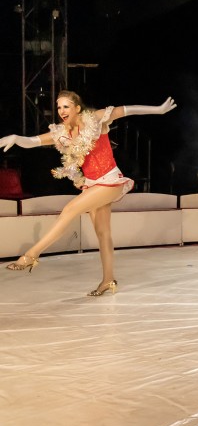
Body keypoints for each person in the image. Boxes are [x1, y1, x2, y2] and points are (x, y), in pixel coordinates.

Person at [0, 90, 176, 296]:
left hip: (110, 181)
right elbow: (32, 141)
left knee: (69, 210)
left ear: (77, 108)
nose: (61, 110)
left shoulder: (95, 119)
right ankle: (108, 280)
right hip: (92, 184)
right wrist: (16, 137)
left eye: (66, 106)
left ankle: (31, 254)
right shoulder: (61, 133)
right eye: (58, 107)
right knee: (103, 234)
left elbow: (127, 110)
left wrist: (159, 110)